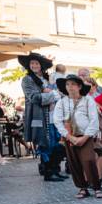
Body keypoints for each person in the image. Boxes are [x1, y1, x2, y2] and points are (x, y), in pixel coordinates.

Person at [53, 74, 102, 199]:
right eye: (67, 84)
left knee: (89, 160)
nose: (70, 87)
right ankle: (83, 188)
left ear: (79, 86)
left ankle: (97, 187)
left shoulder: (88, 100)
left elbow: (94, 120)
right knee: (74, 162)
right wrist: (69, 137)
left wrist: (85, 137)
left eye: (73, 84)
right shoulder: (61, 102)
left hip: (86, 135)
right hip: (69, 136)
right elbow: (57, 121)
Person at [20, 52, 64, 182]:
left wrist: (55, 93)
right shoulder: (27, 79)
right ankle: (48, 172)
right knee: (45, 144)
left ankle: (55, 170)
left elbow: (59, 93)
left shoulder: (46, 78)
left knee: (56, 143)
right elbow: (34, 97)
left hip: (53, 115)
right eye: (32, 63)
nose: (34, 65)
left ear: (41, 65)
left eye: (36, 63)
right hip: (39, 116)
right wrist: (53, 95)